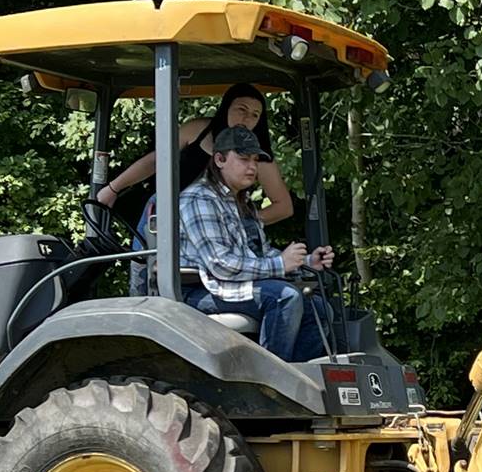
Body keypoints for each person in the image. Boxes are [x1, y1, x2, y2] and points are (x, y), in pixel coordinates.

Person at [177, 126, 333, 361]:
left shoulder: (241, 201)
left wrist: (307, 261)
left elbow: (258, 253)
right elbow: (221, 264)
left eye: (255, 159)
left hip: (230, 285)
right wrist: (281, 264)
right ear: (219, 159)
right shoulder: (199, 199)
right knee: (284, 297)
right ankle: (272, 384)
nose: (252, 167)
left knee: (321, 309)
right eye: (243, 159)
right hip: (201, 290)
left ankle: (299, 379)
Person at [97, 82, 288, 218]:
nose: (247, 118)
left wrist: (241, 221)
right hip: (164, 215)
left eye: (255, 115)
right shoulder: (197, 129)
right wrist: (113, 188)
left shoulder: (258, 155)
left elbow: (283, 207)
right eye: (241, 110)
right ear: (226, 108)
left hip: (210, 227)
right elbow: (157, 161)